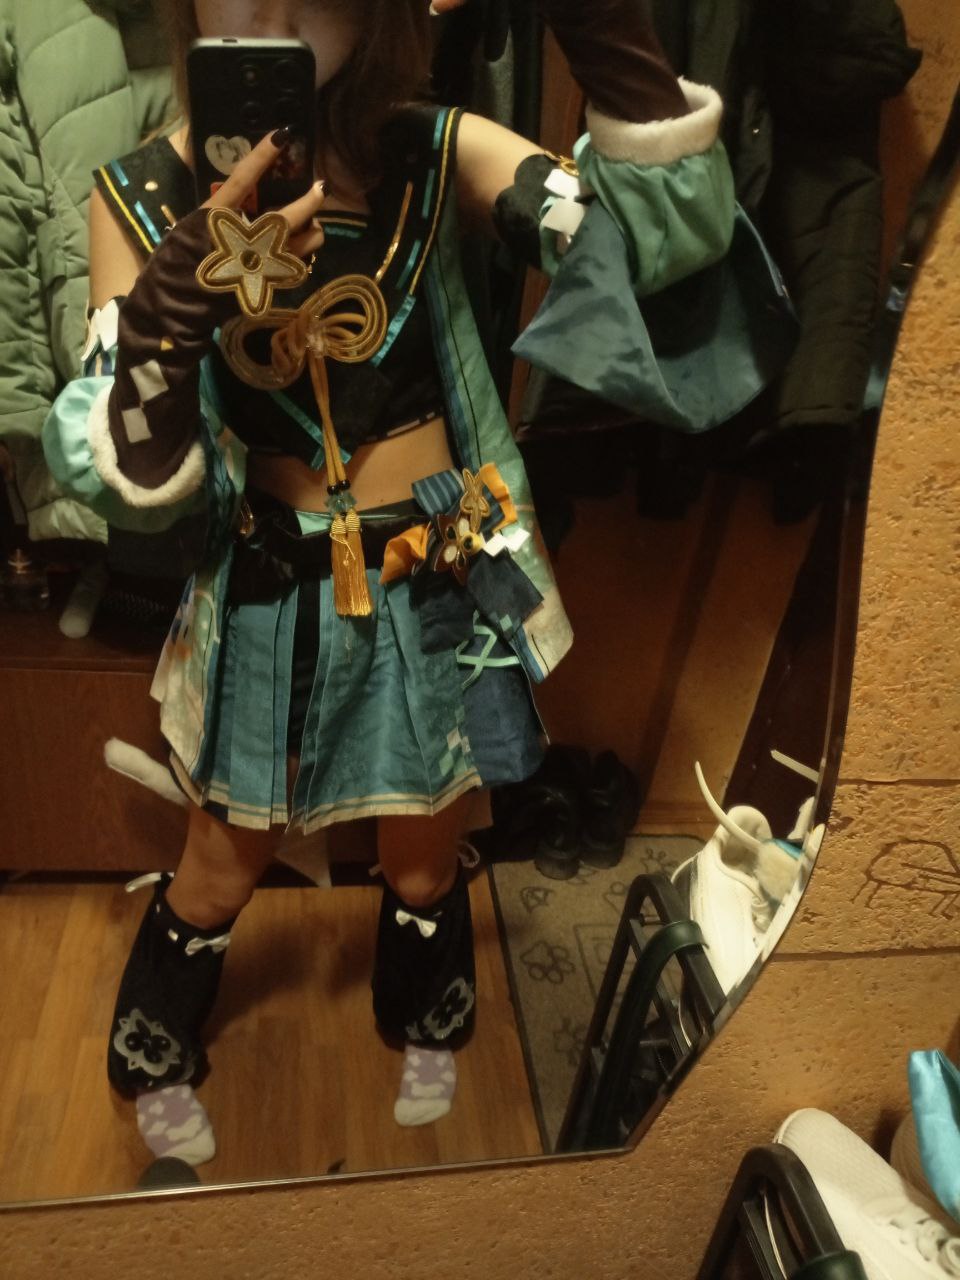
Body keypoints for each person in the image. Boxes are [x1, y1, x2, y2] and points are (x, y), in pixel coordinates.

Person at [43, 0, 735, 1137]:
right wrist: (169, 312)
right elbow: (118, 471)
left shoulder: (435, 148)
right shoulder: (141, 195)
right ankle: (153, 1053)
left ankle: (425, 1018)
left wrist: (600, 22)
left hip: (431, 568)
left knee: (425, 851)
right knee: (221, 861)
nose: (272, 9)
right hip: (270, 583)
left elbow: (655, 247)